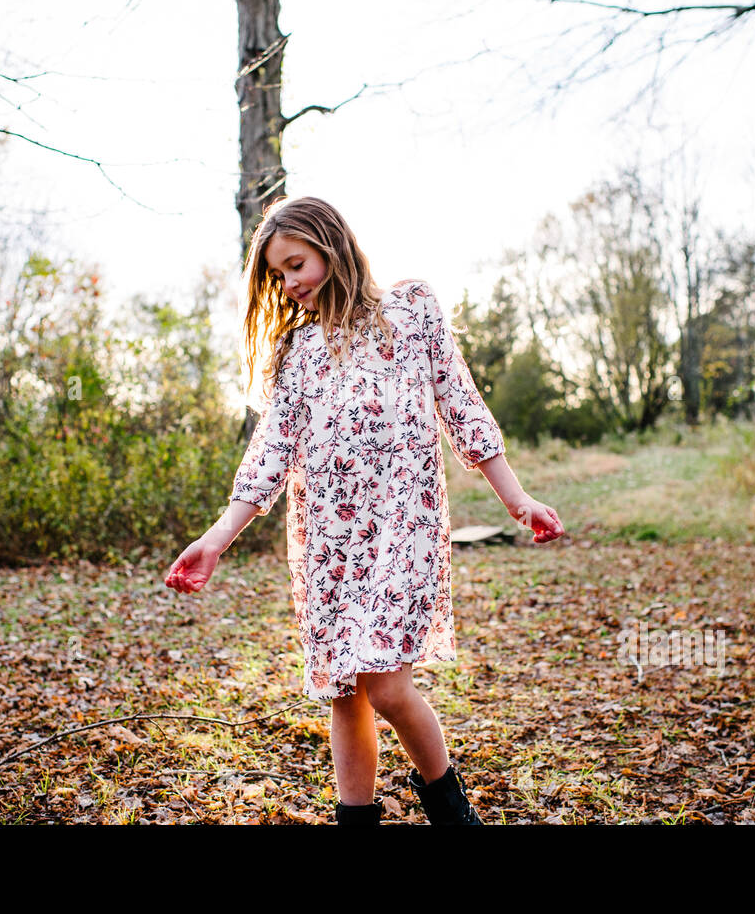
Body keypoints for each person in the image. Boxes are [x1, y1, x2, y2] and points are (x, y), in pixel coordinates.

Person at [164, 195, 565, 825]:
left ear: (333, 244)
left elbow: (462, 409)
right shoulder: (297, 353)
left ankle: (455, 816)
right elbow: (270, 452)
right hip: (329, 546)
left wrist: (517, 499)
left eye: (297, 264)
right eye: (279, 275)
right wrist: (216, 538)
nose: (291, 284)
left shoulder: (413, 310)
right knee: (345, 694)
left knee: (387, 686)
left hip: (404, 532)